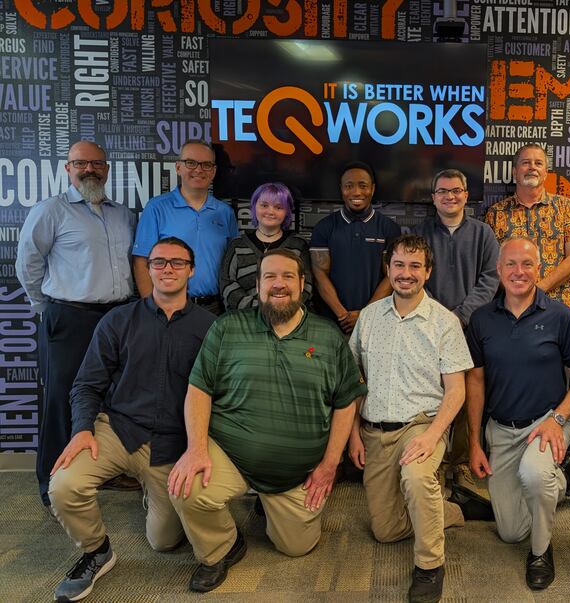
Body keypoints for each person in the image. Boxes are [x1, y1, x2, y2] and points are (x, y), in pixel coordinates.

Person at [168, 249, 366, 593]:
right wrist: (197, 449)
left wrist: (329, 465)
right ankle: (222, 548)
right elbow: (199, 390)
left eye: (288, 277)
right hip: (231, 454)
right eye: (270, 277)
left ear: (303, 285)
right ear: (258, 285)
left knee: (296, 547)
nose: (279, 284)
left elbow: (346, 402)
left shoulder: (328, 336)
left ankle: (271, 506)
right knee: (187, 489)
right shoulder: (227, 328)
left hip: (295, 473)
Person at [47, 237, 216, 602]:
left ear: (191, 269)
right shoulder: (118, 320)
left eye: (176, 262)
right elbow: (86, 385)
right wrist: (81, 431)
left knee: (164, 541)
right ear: (147, 268)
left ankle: (152, 494)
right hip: (118, 429)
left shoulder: (211, 327)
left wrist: (200, 448)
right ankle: (96, 551)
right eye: (158, 262)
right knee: (64, 485)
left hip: (172, 443)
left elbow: (219, 394)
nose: (167, 269)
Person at [348, 234, 473, 603]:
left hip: (421, 423)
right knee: (385, 530)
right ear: (388, 269)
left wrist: (433, 435)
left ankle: (430, 566)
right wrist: (353, 434)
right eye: (399, 265)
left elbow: (456, 391)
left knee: (417, 479)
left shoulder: (444, 322)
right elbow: (353, 380)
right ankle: (450, 508)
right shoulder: (369, 317)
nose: (406, 273)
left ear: (427, 272)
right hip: (375, 430)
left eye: (415, 266)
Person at [463, 237, 570, 591]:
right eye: (511, 265)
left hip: (546, 423)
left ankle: (541, 550)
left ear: (539, 269)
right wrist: (475, 442)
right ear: (498, 269)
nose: (518, 272)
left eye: (527, 264)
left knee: (535, 478)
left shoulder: (561, 317)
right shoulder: (481, 319)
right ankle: (564, 479)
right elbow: (475, 382)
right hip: (502, 429)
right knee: (510, 531)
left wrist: (558, 418)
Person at [16, 140, 137, 512]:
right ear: (67, 168)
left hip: (118, 316)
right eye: (80, 163)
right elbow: (27, 265)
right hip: (69, 317)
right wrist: (47, 307)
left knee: (112, 399)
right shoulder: (51, 211)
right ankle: (50, 485)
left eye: (97, 163)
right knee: (61, 399)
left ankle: (106, 469)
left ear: (107, 168)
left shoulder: (124, 214)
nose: (90, 169)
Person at [412, 168, 499, 501]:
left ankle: (460, 462)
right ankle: (433, 456)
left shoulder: (483, 234)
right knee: (430, 391)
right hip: (427, 326)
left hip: (470, 327)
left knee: (464, 393)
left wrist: (459, 315)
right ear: (433, 197)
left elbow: (491, 279)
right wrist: (436, 315)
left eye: (456, 190)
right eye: (443, 191)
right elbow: (413, 277)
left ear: (466, 195)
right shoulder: (419, 234)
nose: (450, 196)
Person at [133, 139, 238, 314]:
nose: (198, 169)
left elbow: (233, 262)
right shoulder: (157, 208)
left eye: (206, 165)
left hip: (216, 308)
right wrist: (151, 310)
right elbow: (141, 261)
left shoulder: (225, 212)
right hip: (169, 307)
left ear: (213, 171)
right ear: (178, 167)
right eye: (191, 163)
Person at [483, 143, 570, 311]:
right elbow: (491, 264)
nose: (532, 167)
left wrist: (538, 290)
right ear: (515, 172)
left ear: (546, 173)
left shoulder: (564, 206)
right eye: (525, 163)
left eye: (538, 163)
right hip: (513, 308)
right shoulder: (496, 213)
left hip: (560, 306)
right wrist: (519, 293)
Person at [310, 161, 401, 333]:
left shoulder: (389, 228)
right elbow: (319, 275)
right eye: (349, 186)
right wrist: (342, 315)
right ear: (341, 189)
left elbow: (391, 275)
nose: (356, 192)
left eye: (363, 186)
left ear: (372, 189)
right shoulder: (325, 227)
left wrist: (364, 315)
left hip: (376, 322)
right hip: (333, 323)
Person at [220, 182, 313, 311]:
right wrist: (259, 310)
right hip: (246, 320)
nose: (270, 211)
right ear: (254, 207)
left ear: (287, 212)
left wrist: (281, 309)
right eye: (264, 205)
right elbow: (227, 283)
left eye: (278, 207)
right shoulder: (237, 244)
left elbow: (306, 284)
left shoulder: (298, 244)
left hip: (288, 319)